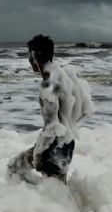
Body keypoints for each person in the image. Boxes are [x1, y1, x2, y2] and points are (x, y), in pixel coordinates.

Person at [7, 35, 94, 183]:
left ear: (34, 55)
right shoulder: (65, 75)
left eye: (29, 55)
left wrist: (38, 153)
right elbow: (86, 108)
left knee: (14, 167)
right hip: (67, 143)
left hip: (53, 147)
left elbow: (52, 127)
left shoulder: (48, 85)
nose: (29, 60)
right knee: (56, 191)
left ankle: (28, 201)